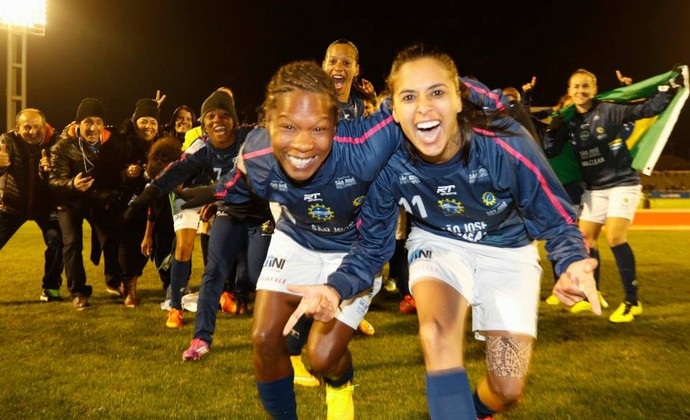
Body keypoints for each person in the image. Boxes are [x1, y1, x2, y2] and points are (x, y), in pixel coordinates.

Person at [284, 44, 601, 420]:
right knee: (436, 334)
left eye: (437, 92)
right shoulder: (388, 160)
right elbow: (372, 246)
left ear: (457, 99)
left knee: (507, 388)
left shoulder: (503, 143)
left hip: (509, 251)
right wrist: (336, 287)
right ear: (394, 112)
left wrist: (572, 260)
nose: (424, 108)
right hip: (438, 244)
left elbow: (554, 213)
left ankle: (474, 410)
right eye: (408, 97)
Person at [178, 60, 404, 420]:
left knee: (321, 356)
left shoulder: (369, 146)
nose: (301, 144)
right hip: (296, 237)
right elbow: (239, 182)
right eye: (287, 127)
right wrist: (212, 192)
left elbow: (424, 91)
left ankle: (340, 385)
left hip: (355, 249)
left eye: (318, 128)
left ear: (336, 124)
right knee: (266, 340)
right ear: (267, 121)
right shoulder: (256, 152)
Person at [543, 67, 681, 322]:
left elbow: (646, 109)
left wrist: (667, 89)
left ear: (594, 89)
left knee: (615, 237)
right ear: (569, 91)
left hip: (621, 183)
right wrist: (553, 129)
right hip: (594, 188)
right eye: (576, 87)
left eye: (586, 86)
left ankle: (632, 301)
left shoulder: (609, 109)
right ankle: (592, 294)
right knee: (585, 242)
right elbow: (550, 151)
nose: (581, 91)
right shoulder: (570, 120)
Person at [129, 89, 271, 332]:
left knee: (234, 246)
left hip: (220, 197)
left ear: (234, 118)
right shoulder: (199, 144)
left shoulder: (249, 137)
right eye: (211, 116)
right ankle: (175, 306)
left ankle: (231, 293)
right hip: (189, 194)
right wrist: (153, 190)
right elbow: (178, 168)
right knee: (184, 246)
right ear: (203, 122)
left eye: (225, 114)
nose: (218, 121)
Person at [48, 98, 123, 310]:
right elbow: (53, 181)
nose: (93, 127)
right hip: (69, 202)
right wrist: (72, 184)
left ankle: (113, 281)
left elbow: (117, 173)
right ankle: (78, 292)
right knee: (72, 243)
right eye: (88, 122)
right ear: (78, 123)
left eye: (98, 122)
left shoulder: (112, 143)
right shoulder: (63, 146)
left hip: (97, 200)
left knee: (111, 236)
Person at [0, 108, 63, 301]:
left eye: (37, 126)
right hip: (12, 206)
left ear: (44, 126)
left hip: (45, 207)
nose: (33, 131)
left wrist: (51, 170)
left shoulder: (56, 143)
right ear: (17, 128)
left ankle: (51, 288)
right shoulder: (7, 142)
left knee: (57, 242)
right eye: (27, 127)